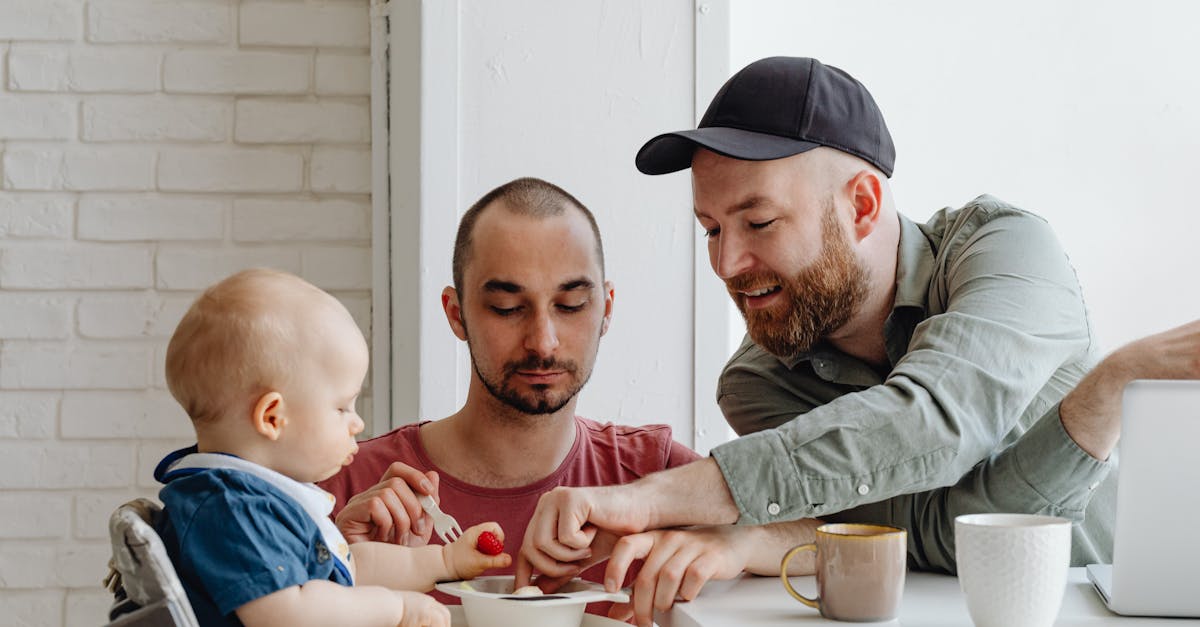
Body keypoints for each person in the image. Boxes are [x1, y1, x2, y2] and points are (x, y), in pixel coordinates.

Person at [515, 56, 1188, 623]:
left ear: (862, 205)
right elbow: (931, 534)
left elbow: (936, 419)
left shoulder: (1007, 248)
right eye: (713, 229)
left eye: (759, 221)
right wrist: (751, 533)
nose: (726, 264)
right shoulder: (758, 382)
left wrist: (648, 497)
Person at [317, 178, 701, 604]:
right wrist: (339, 574)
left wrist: (729, 545)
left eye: (571, 305)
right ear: (456, 314)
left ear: (606, 310)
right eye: (507, 309)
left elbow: (787, 531)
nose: (543, 341)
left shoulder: (658, 473)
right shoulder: (338, 491)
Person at [155, 268, 508, 627]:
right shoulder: (233, 508)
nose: (357, 424)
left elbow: (349, 569)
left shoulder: (257, 501)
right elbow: (292, 614)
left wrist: (445, 561)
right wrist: (396, 609)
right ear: (273, 418)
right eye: (341, 407)